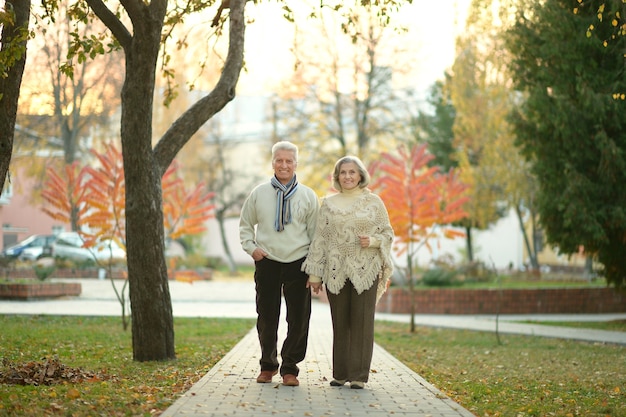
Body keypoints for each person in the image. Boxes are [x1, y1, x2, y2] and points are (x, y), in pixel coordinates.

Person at [302, 155, 394, 390]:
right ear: (337, 176)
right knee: (339, 322)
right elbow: (320, 239)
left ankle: (358, 376)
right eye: (343, 172)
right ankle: (340, 374)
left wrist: (373, 240)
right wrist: (314, 275)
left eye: (352, 172)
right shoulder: (329, 204)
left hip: (366, 269)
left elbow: (388, 233)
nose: (348, 176)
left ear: (361, 175)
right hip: (336, 269)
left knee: (362, 323)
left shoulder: (373, 202)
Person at [239, 141, 319, 387]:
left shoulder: (308, 195)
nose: (284, 165)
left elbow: (317, 236)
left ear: (296, 163)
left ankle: (290, 368)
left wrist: (315, 270)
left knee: (298, 318)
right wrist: (252, 249)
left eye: (289, 161)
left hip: (299, 262)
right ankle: (267, 365)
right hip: (268, 262)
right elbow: (245, 225)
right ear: (272, 162)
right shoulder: (259, 193)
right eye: (279, 160)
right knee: (266, 316)